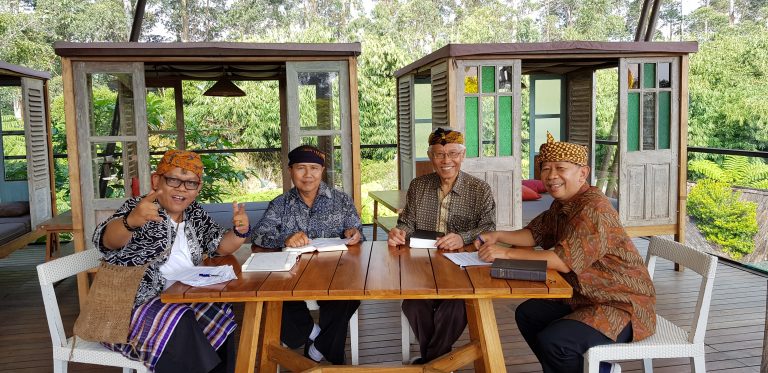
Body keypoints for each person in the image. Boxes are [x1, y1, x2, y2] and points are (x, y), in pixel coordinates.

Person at [475, 132, 656, 373]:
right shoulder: (562, 204)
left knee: (556, 341)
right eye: (546, 169)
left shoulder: (594, 209)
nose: (551, 176)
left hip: (622, 306)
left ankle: (598, 370)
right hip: (584, 296)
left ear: (583, 173)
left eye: (560, 168)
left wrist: (505, 254)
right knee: (529, 315)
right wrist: (497, 235)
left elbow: (561, 261)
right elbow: (535, 234)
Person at [93, 149, 251, 373]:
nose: (181, 189)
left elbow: (220, 245)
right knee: (180, 320)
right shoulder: (141, 208)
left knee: (217, 307)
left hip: (180, 295)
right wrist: (131, 221)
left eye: (190, 183)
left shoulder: (193, 212)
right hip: (128, 306)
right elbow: (106, 240)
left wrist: (239, 231)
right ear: (157, 180)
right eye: (174, 180)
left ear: (198, 188)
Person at [387, 127, 496, 363]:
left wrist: (463, 237)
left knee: (455, 308)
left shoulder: (480, 190)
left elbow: (488, 230)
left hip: (462, 269)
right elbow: (406, 222)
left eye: (453, 154)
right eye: (439, 154)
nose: (447, 161)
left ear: (463, 155)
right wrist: (398, 233)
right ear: (431, 157)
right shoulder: (419, 185)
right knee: (413, 306)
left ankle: (430, 363)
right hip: (423, 267)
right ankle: (440, 364)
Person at [252, 144, 363, 365]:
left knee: (349, 296)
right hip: (291, 275)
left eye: (314, 168)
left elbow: (357, 234)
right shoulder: (281, 204)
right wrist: (284, 239)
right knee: (272, 298)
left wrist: (354, 233)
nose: (308, 174)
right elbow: (258, 237)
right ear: (290, 170)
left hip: (334, 274)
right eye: (301, 168)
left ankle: (317, 348)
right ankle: (317, 336)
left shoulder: (341, 201)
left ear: (322, 171)